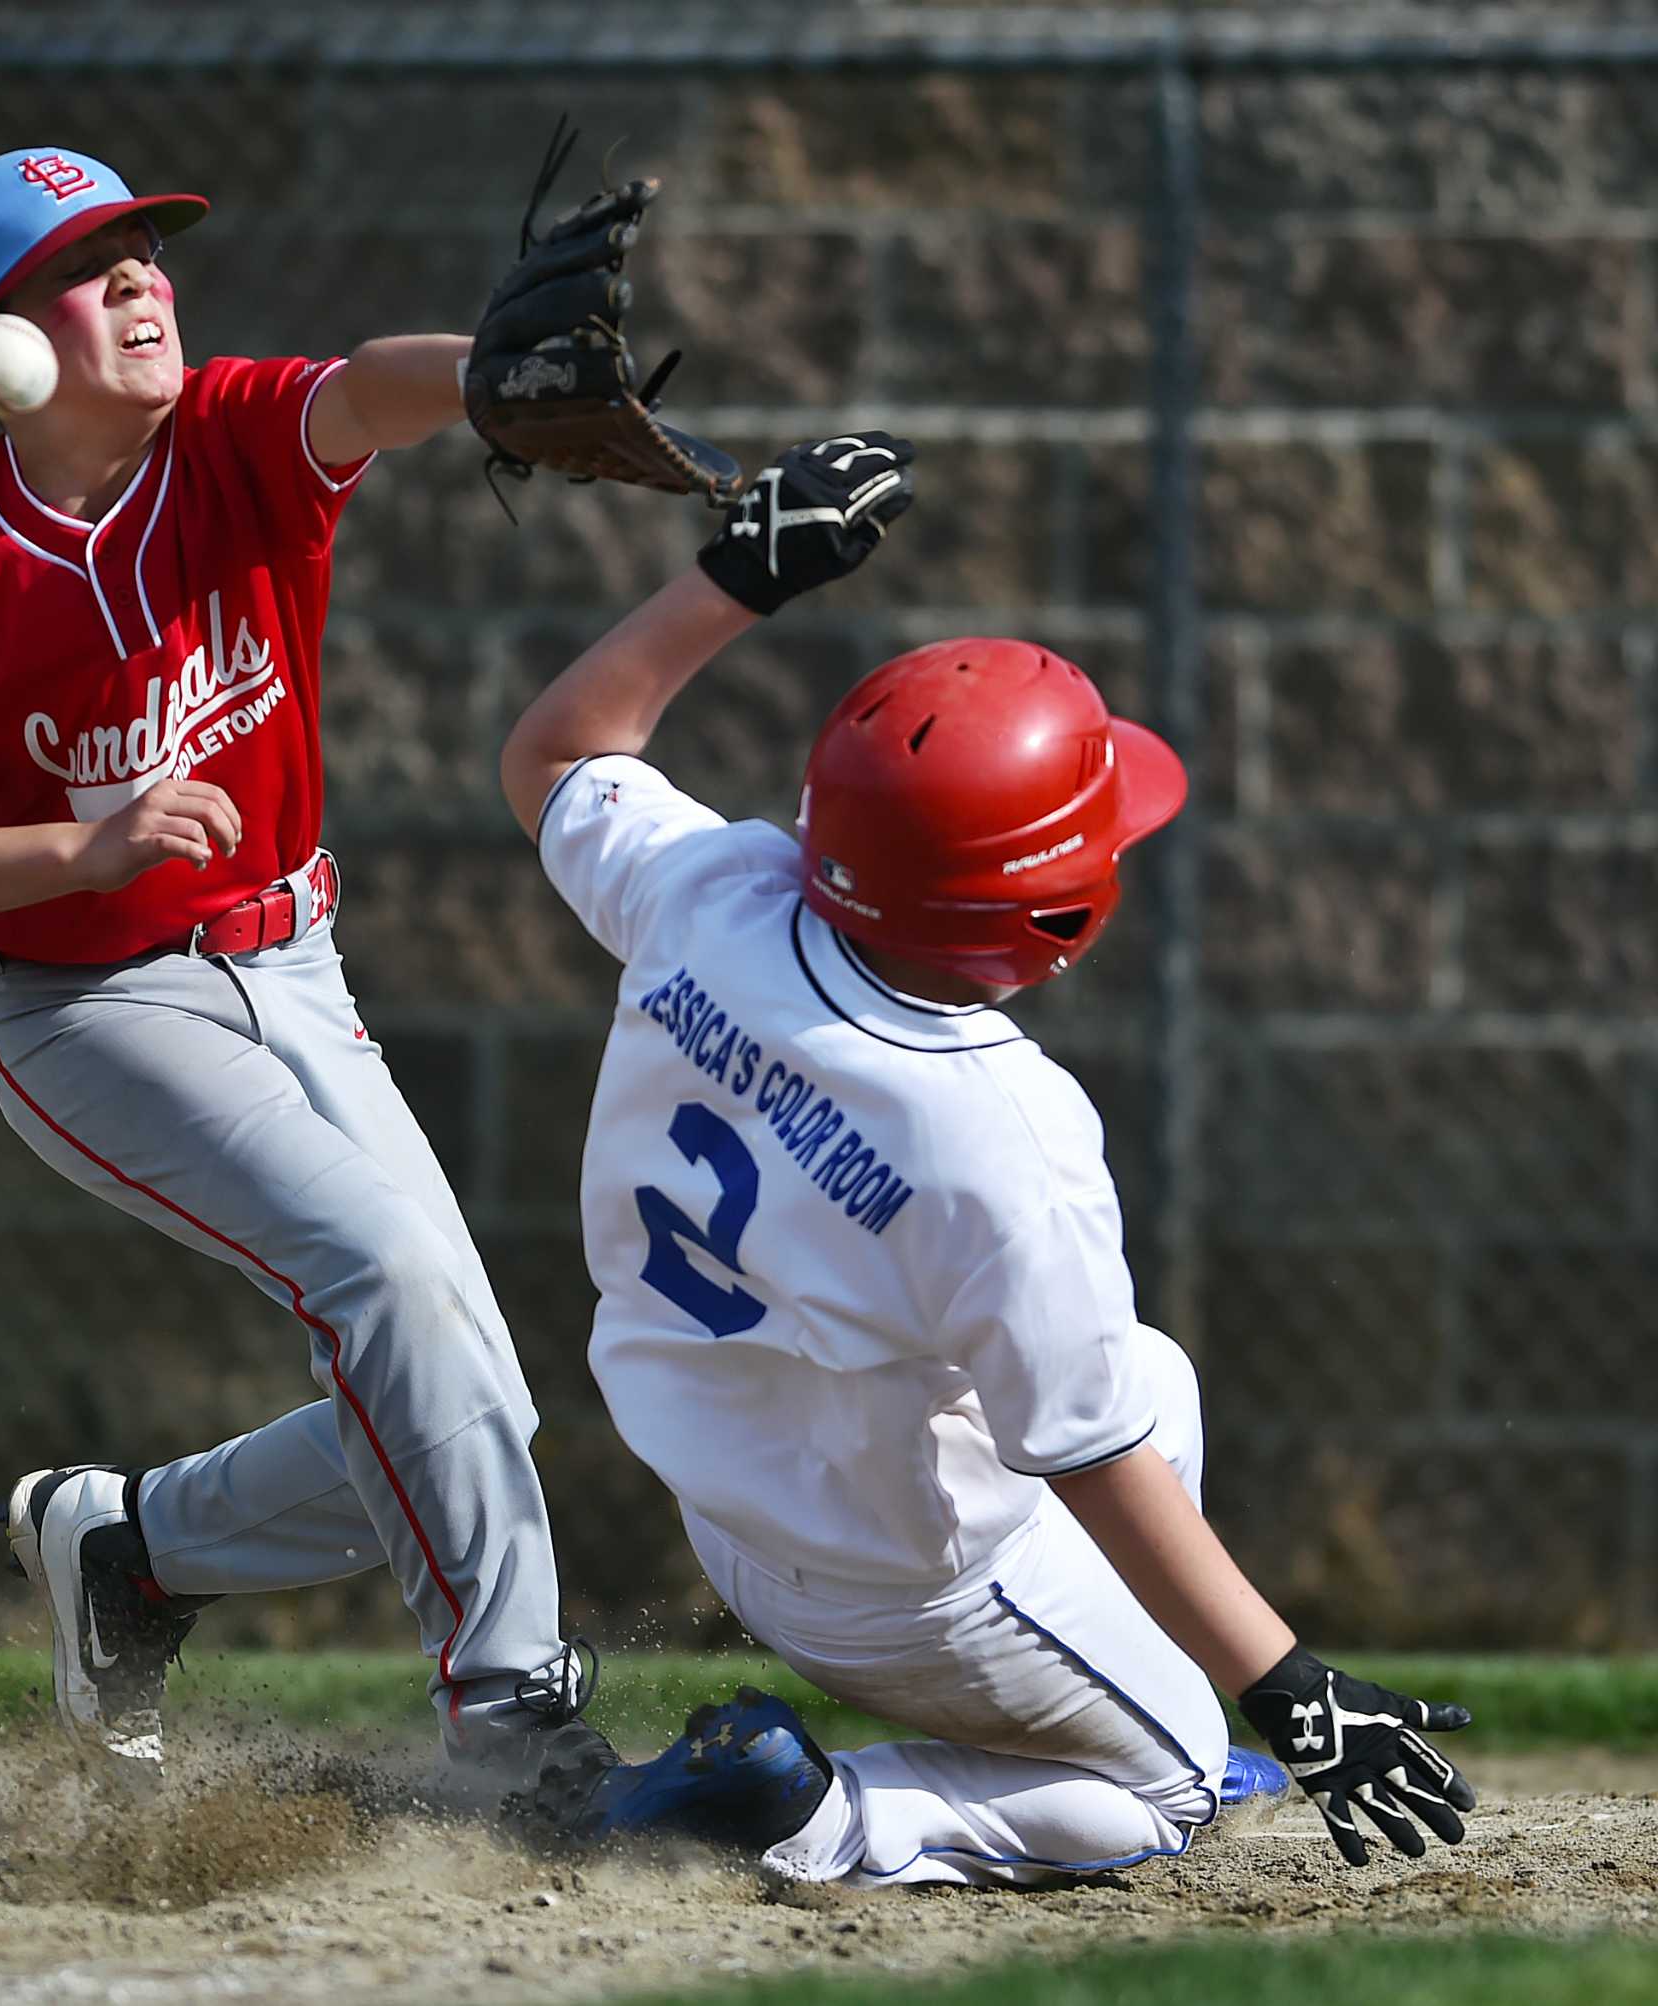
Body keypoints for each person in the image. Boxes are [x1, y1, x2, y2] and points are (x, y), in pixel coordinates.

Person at [496, 431, 1476, 1884]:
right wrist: (1296, 1687)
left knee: (1150, 1372)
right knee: (1175, 1783)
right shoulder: (1002, 1133)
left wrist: (739, 578)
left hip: (725, 1500)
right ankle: (817, 1813)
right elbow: (1085, 1460)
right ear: (1051, 925)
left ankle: (1120, 1695)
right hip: (907, 1587)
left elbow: (559, 751)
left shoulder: (719, 889)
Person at [0, 146, 615, 1794]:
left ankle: (134, 1550)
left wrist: (482, 377)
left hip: (293, 957)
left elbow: (361, 398)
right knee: (391, 1278)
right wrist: (73, 854)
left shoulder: (229, 439)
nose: (144, 283)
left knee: (462, 1385)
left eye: (147, 253)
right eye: (89, 269)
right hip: (85, 1005)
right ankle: (512, 1713)